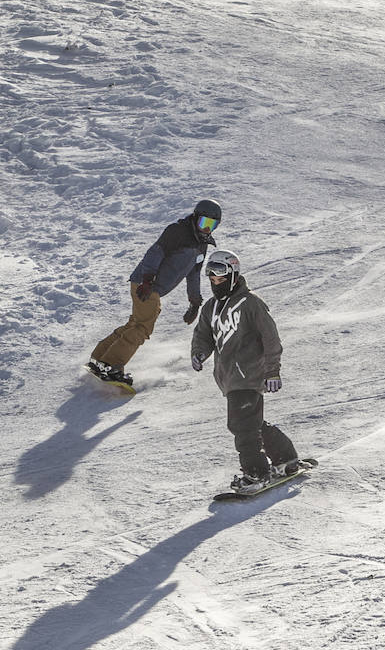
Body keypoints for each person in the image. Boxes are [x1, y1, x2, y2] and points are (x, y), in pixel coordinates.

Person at [189, 249, 301, 491]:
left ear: (233, 275)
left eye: (220, 278)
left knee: (243, 426)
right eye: (211, 279)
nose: (215, 283)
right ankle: (286, 458)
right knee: (251, 424)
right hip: (229, 378)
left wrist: (273, 371)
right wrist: (199, 353)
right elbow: (203, 335)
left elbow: (271, 339)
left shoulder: (251, 303)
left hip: (249, 373)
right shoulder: (211, 307)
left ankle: (256, 473)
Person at [88, 198, 221, 386]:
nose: (206, 229)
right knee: (143, 327)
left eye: (211, 225)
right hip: (146, 284)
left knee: (135, 323)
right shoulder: (178, 231)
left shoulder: (202, 244)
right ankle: (111, 365)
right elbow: (155, 252)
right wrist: (147, 279)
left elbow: (194, 274)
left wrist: (195, 301)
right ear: (195, 218)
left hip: (151, 288)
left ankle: (100, 358)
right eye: (203, 223)